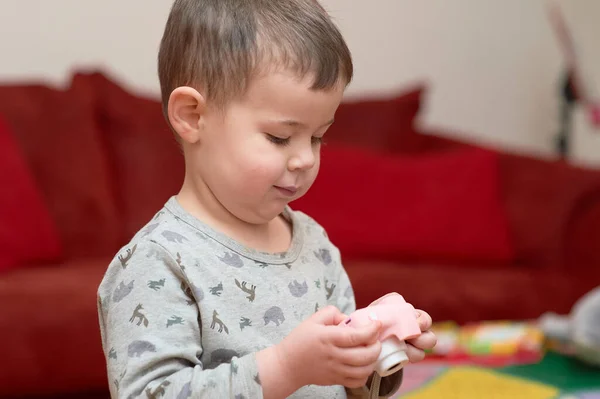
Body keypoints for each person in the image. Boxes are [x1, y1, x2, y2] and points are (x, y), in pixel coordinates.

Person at [97, 1, 437, 398]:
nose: (306, 158)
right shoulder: (158, 262)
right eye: (279, 137)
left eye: (316, 137)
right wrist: (286, 368)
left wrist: (374, 353)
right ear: (192, 115)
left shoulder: (314, 244)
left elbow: (348, 390)